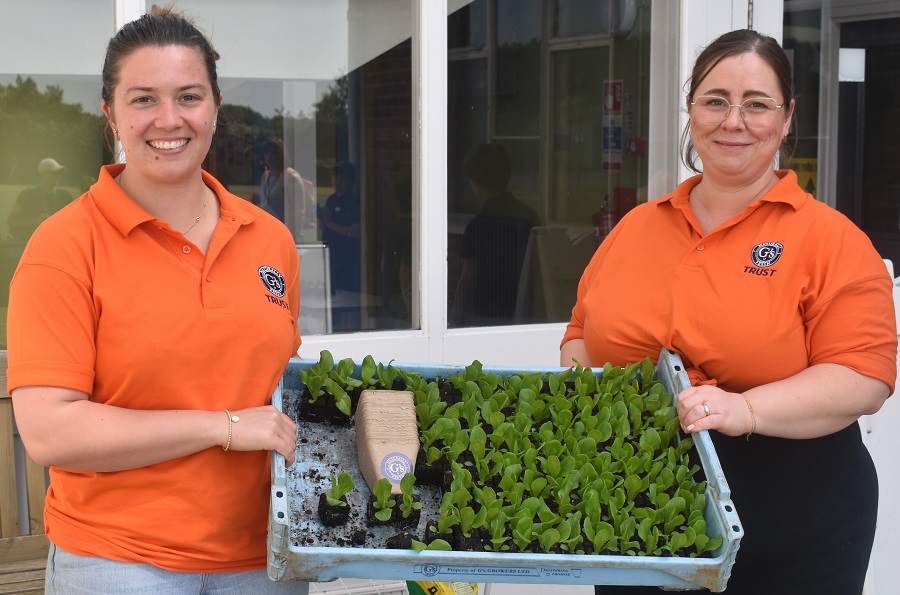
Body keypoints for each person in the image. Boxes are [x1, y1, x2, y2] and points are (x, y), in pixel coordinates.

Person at [560, 29, 896, 595]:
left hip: (791, 520)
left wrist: (744, 408)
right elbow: (579, 338)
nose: (733, 121)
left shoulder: (829, 239)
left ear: (786, 118)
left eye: (756, 104)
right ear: (691, 111)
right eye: (715, 100)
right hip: (634, 509)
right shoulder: (637, 227)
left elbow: (863, 378)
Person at [7, 6, 306, 595]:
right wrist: (221, 426)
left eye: (188, 96)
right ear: (110, 114)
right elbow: (49, 432)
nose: (168, 120)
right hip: (119, 560)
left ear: (216, 108)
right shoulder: (64, 247)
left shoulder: (269, 239)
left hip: (264, 555)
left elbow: (277, 388)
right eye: (143, 98)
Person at [450, 143, 540, 327]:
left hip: (485, 316)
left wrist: (453, 319)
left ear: (476, 184)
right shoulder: (530, 216)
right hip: (528, 316)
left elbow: (467, 280)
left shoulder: (479, 226)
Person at [319, 160, 361, 331]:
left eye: (342, 177)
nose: (337, 180)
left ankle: (348, 331)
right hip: (331, 256)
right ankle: (335, 328)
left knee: (348, 300)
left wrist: (329, 223)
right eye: (335, 176)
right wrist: (323, 219)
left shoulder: (352, 202)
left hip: (347, 258)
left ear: (350, 181)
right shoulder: (331, 200)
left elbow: (356, 231)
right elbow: (326, 226)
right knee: (333, 296)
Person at [253, 138, 318, 242]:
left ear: (282, 154)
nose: (270, 156)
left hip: (288, 236)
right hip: (269, 234)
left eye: (274, 152)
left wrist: (292, 238)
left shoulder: (291, 177)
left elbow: (299, 211)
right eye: (267, 152)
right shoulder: (265, 177)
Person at [6, 157, 73, 240]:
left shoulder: (65, 196)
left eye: (59, 173)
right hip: (33, 242)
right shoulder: (28, 194)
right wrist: (35, 221)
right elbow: (11, 221)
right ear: (44, 175)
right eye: (54, 173)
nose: (58, 176)